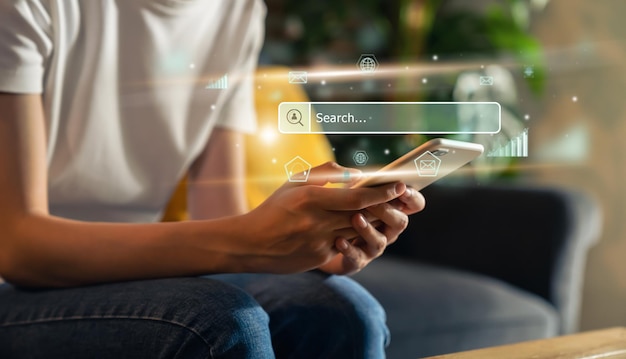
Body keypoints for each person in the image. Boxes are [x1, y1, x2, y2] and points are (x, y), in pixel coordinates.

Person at [0, 1, 425, 358]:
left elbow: (220, 212)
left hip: (126, 272)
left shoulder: (234, 11)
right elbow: (17, 247)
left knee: (343, 312)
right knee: (215, 319)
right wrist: (251, 240)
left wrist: (316, 247)